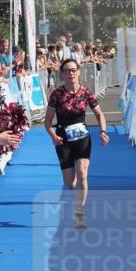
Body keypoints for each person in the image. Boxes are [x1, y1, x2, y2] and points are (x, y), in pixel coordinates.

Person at [44, 59, 109, 229]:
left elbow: (99, 114)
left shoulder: (86, 92)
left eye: (73, 70)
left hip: (82, 138)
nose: (71, 73)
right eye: (67, 71)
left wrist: (103, 131)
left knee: (82, 173)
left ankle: (79, 214)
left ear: (79, 72)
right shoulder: (57, 94)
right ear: (62, 74)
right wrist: (53, 136)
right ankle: (75, 194)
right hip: (63, 139)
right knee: (70, 182)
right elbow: (47, 121)